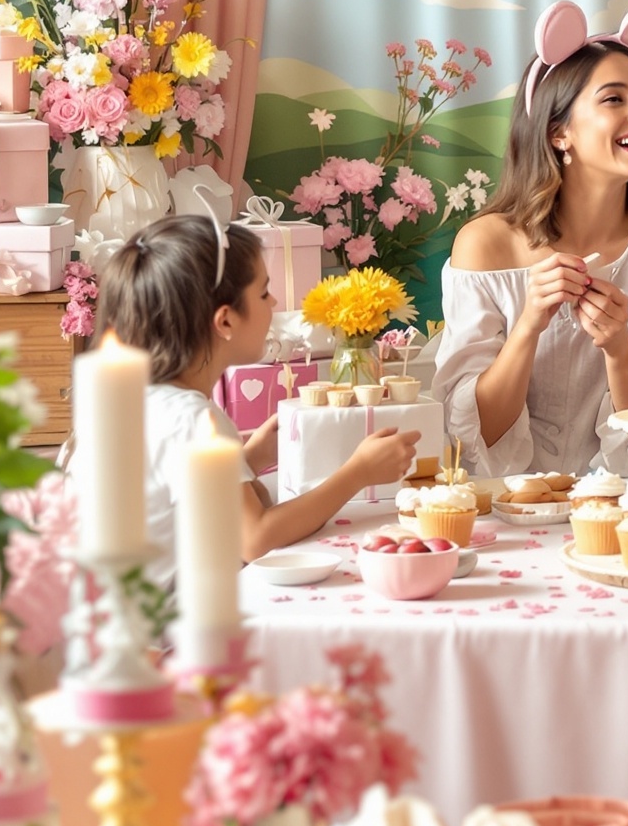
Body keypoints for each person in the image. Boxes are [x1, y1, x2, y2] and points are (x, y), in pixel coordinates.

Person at [438, 0, 628, 476]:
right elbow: (470, 439)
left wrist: (619, 347)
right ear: (557, 132)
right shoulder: (484, 245)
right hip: (509, 506)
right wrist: (529, 324)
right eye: (614, 99)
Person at [90, 215, 422, 583]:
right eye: (264, 293)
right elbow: (255, 539)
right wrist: (359, 472)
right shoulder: (195, 419)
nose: (275, 301)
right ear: (225, 321)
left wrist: (250, 459)